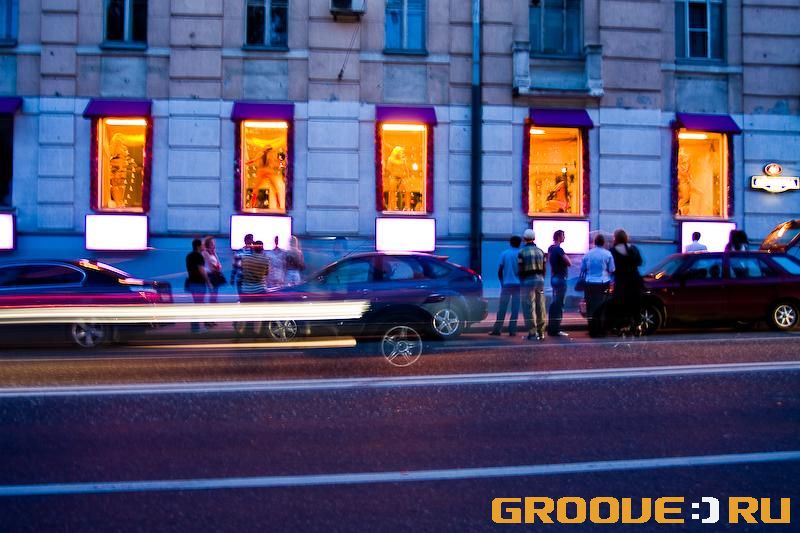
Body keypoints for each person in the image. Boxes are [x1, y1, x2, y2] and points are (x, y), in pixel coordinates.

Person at [609, 229, 644, 335]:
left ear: (615, 238)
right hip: (635, 280)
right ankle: (637, 326)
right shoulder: (633, 248)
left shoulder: (612, 251)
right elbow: (640, 262)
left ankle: (622, 326)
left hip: (621, 281)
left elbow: (611, 267)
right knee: (635, 304)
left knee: (621, 304)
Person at [581, 234, 615, 337]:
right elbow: (612, 269)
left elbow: (583, 269)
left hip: (589, 283)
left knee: (590, 307)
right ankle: (601, 330)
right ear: (603, 243)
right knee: (602, 307)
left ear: (594, 242)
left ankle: (592, 330)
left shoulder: (588, 254)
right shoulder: (607, 254)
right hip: (603, 282)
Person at [489, 235, 522, 336]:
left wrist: (502, 283)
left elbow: (500, 270)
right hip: (518, 285)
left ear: (510, 243)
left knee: (502, 307)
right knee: (515, 309)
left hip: (506, 284)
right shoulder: (521, 254)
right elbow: (522, 270)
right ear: (519, 243)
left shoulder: (504, 254)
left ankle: (497, 329)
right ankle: (512, 330)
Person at [518, 229, 547, 341]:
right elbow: (544, 268)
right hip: (540, 280)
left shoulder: (522, 252)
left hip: (527, 281)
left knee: (529, 306)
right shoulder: (540, 251)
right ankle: (541, 332)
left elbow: (520, 269)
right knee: (541, 306)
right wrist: (542, 278)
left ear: (524, 238)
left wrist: (521, 281)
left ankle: (532, 332)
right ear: (534, 238)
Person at [547, 229, 572, 337]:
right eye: (563, 235)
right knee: (559, 304)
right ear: (558, 237)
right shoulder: (559, 249)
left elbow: (550, 262)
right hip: (561, 278)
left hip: (554, 278)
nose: (564, 237)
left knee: (554, 303)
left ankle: (551, 328)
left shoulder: (550, 248)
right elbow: (569, 262)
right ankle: (556, 329)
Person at [185, 238, 212, 334]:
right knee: (199, 305)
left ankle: (195, 326)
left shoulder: (189, 256)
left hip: (191, 282)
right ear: (198, 246)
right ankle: (196, 328)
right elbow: (202, 270)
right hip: (199, 283)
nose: (204, 246)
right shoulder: (199, 256)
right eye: (202, 245)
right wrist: (208, 282)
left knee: (197, 304)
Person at [202, 236, 225, 305]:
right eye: (212, 243)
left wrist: (217, 268)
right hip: (209, 275)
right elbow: (210, 266)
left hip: (215, 275)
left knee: (215, 294)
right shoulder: (205, 253)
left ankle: (213, 305)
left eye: (214, 243)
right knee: (213, 294)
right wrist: (215, 268)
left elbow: (219, 265)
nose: (214, 245)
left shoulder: (214, 253)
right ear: (207, 244)